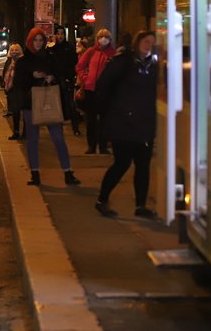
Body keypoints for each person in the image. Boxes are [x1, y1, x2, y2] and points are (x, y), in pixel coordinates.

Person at [93, 31, 158, 218]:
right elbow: (103, 85)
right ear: (137, 42)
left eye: (152, 43)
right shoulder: (124, 62)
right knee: (122, 163)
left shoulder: (154, 66)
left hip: (144, 123)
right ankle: (101, 200)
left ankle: (140, 207)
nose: (149, 45)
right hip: (123, 123)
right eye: (146, 41)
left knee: (143, 165)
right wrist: (115, 109)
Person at [14, 27, 81, 186]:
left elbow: (61, 75)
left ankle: (68, 172)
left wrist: (52, 77)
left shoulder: (51, 57)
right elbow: (18, 83)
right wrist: (32, 76)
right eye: (35, 40)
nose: (38, 43)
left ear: (44, 41)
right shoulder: (23, 61)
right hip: (30, 103)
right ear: (30, 41)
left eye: (41, 40)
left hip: (50, 101)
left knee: (58, 138)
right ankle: (35, 173)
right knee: (33, 139)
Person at [76, 28, 116, 154]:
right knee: (91, 120)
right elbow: (79, 66)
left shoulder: (112, 53)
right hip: (90, 89)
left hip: (106, 91)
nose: (103, 39)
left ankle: (103, 146)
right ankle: (91, 146)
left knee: (104, 120)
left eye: (106, 37)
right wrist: (85, 77)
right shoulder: (91, 51)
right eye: (101, 36)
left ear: (110, 39)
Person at [49, 24, 81, 135]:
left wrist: (69, 77)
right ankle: (59, 127)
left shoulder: (70, 48)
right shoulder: (52, 49)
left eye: (62, 34)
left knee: (70, 103)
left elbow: (74, 64)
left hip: (67, 79)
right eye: (58, 34)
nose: (60, 36)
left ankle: (75, 127)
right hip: (56, 80)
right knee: (58, 104)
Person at [1, 44, 24, 140]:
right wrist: (5, 84)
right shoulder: (9, 61)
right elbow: (5, 73)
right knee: (15, 111)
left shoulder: (22, 61)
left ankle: (25, 132)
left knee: (22, 111)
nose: (14, 52)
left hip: (20, 88)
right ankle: (16, 132)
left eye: (16, 50)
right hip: (11, 89)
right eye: (12, 50)